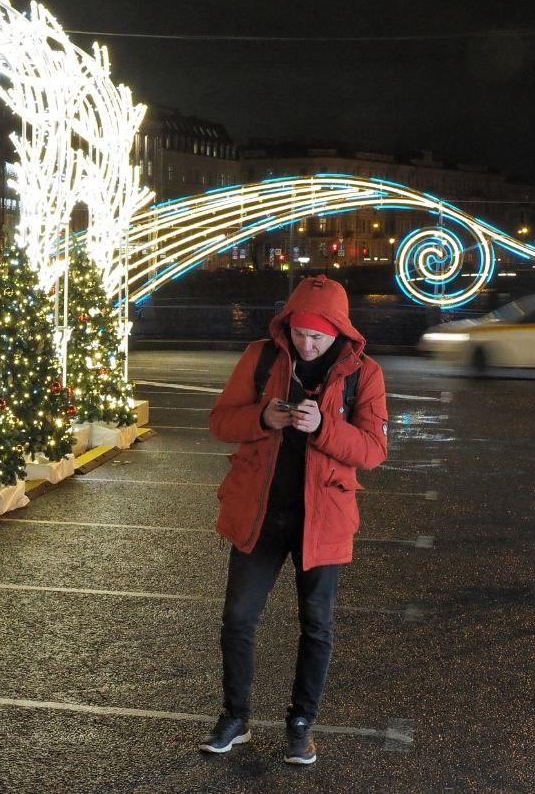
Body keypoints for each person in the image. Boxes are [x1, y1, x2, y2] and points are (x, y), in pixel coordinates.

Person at [201, 275, 389, 765]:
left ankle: (301, 724)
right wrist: (262, 418)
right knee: (238, 618)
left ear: (339, 332)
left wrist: (324, 427)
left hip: (323, 519)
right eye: (300, 333)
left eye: (318, 338)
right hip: (260, 513)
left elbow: (373, 450)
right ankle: (235, 717)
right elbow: (220, 420)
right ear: (288, 325)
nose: (307, 345)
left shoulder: (364, 373)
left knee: (316, 625)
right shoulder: (262, 356)